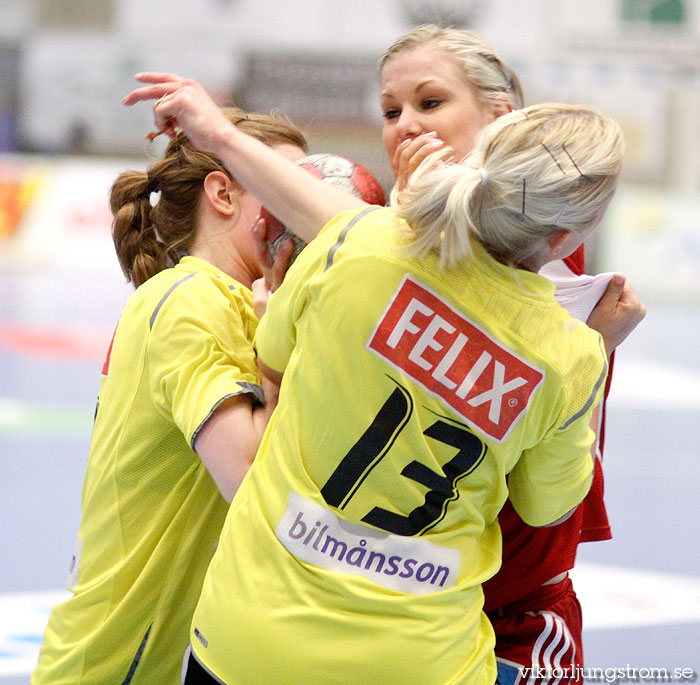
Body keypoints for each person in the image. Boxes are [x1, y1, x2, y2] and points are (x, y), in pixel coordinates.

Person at [125, 73, 628, 684]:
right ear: (569, 235)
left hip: (248, 642)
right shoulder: (571, 354)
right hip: (416, 662)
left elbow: (275, 356)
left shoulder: (356, 242)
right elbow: (547, 505)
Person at [377, 25, 645, 682]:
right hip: (387, 591)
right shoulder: (367, 237)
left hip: (512, 596)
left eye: (430, 102)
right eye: (391, 111)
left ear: (501, 116)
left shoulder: (546, 241)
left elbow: (540, 441)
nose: (406, 124)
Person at [31, 108, 307, 684]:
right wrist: (282, 348)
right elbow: (249, 470)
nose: (303, 208)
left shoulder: (219, 298)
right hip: (123, 663)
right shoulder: (193, 300)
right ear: (224, 194)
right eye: (285, 185)